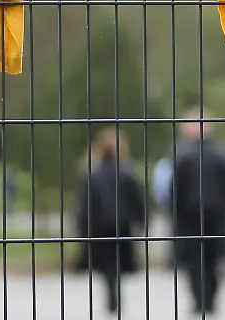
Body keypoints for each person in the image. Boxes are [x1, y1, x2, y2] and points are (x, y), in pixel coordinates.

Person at [172, 109, 225, 316]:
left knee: (195, 260)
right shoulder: (220, 154)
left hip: (190, 215)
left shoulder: (183, 155)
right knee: (213, 258)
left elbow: (176, 191)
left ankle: (201, 298)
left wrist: (173, 215)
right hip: (215, 214)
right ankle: (208, 298)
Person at [76, 127, 147, 317]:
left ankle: (112, 298)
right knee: (117, 264)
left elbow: (84, 205)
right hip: (121, 226)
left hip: (99, 227)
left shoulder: (92, 174)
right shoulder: (126, 173)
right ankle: (114, 297)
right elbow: (137, 201)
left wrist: (82, 226)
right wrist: (140, 221)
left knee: (106, 265)